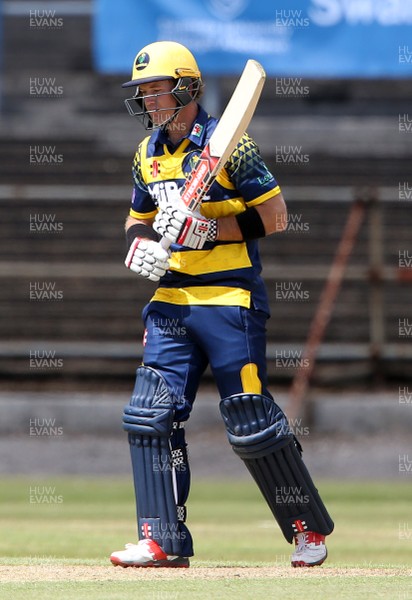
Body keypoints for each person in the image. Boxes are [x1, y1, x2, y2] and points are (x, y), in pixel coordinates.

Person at [110, 41, 333, 569]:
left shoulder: (233, 146)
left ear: (185, 87)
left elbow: (276, 217)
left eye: (156, 88)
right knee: (150, 415)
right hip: (170, 302)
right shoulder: (147, 154)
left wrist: (205, 230)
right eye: (141, 90)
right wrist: (140, 246)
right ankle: (161, 539)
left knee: (250, 420)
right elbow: (135, 219)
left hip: (230, 298)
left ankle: (307, 531)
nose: (147, 98)